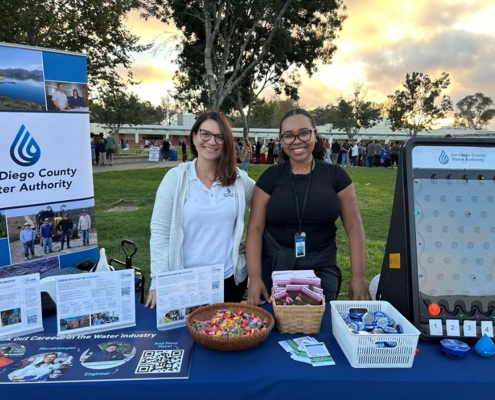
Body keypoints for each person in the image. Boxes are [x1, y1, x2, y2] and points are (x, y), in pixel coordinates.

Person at [245, 108, 370, 305]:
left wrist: (358, 278)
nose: (296, 141)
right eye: (288, 136)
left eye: (303, 133)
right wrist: (255, 278)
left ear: (315, 135)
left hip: (321, 266)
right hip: (276, 266)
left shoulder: (336, 176)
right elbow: (255, 228)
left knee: (318, 327)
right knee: (275, 326)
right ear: (281, 140)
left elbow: (354, 227)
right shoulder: (270, 177)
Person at [145, 111, 255, 309]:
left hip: (228, 282)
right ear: (194, 136)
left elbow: (266, 207)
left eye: (219, 136)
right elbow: (160, 232)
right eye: (205, 134)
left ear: (226, 142)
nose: (212, 141)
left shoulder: (238, 179)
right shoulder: (176, 178)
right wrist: (157, 281)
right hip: (185, 282)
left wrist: (254, 242)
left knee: (226, 338)